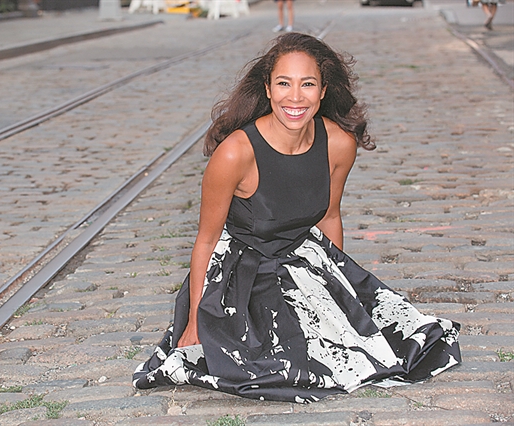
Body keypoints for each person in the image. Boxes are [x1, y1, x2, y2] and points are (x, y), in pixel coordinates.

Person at [132, 33, 461, 403]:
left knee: (378, 349)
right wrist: (196, 321)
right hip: (240, 280)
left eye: (307, 84)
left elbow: (330, 216)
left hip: (302, 263)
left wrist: (338, 295)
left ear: (323, 91)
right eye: (284, 83)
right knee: (276, 367)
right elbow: (207, 241)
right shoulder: (235, 153)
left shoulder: (339, 144)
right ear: (268, 89)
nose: (295, 97)